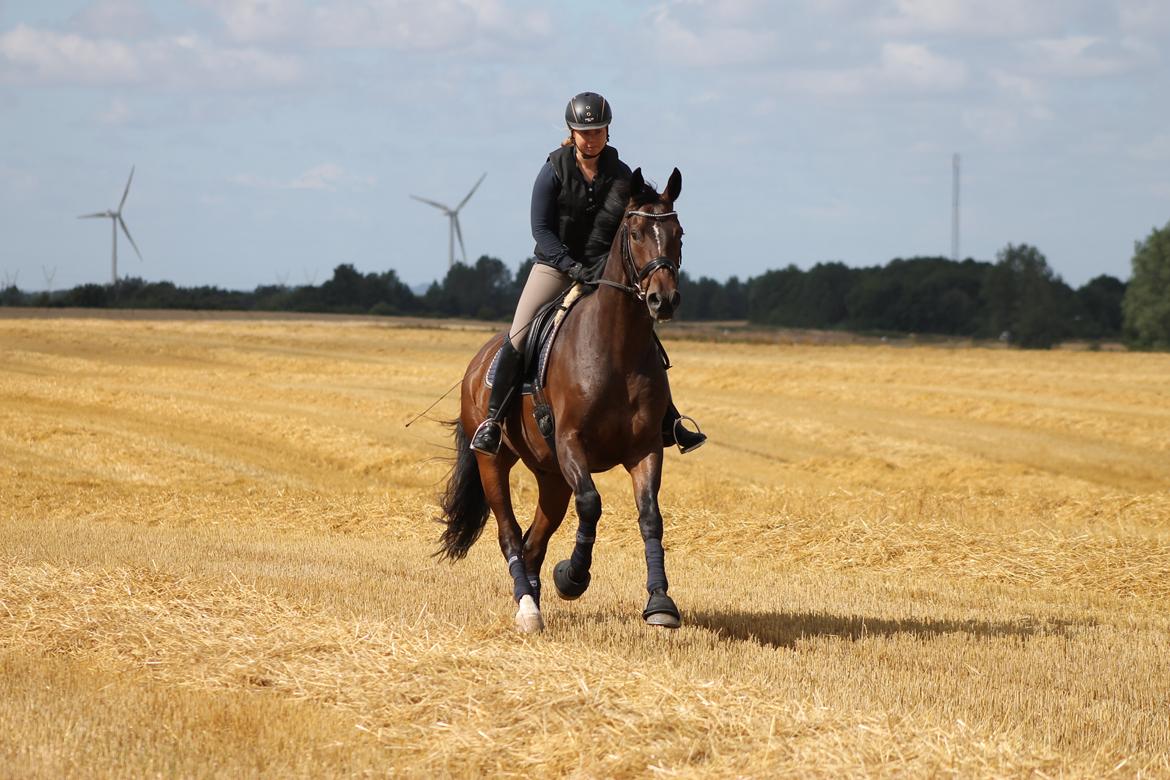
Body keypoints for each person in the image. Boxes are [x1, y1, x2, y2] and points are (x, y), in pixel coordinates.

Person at [470, 91, 707, 456]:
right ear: (572, 132)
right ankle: (493, 421)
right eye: (584, 132)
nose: (591, 138)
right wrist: (569, 265)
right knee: (519, 335)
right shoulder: (553, 170)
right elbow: (541, 230)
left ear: (608, 132)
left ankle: (669, 420)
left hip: (602, 270)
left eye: (597, 131)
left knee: (640, 336)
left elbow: (638, 222)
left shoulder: (622, 175)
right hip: (555, 266)